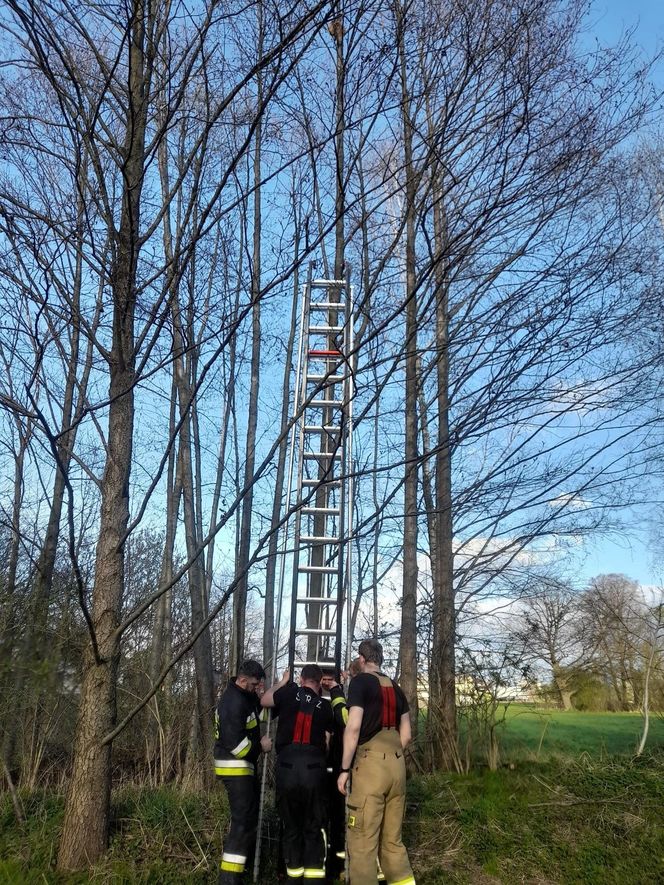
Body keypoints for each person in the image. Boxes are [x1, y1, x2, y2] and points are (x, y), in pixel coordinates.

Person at [337, 639, 415, 885]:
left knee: (362, 843)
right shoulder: (396, 687)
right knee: (393, 842)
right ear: (380, 659)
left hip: (371, 769)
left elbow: (353, 727)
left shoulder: (360, 682)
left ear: (362, 659)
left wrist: (344, 769)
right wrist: (391, 754)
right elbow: (407, 735)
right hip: (397, 767)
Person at [262, 664, 335, 881]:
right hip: (314, 770)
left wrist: (283, 681)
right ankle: (313, 880)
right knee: (314, 828)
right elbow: (328, 743)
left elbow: (264, 700)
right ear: (320, 683)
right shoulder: (325, 706)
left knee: (291, 828)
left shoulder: (288, 693)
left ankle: (293, 877)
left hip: (287, 769)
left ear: (301, 679)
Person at [214, 659, 272, 884]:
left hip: (243, 770)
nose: (256, 688)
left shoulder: (245, 698)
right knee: (242, 824)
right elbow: (237, 745)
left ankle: (238, 872)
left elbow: (261, 717)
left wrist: (278, 688)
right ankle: (229, 879)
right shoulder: (232, 702)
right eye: (253, 685)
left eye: (259, 686)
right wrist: (261, 747)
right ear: (242, 679)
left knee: (247, 822)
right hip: (235, 769)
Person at [320, 666, 349, 877]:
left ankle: (338, 864)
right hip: (319, 766)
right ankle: (322, 862)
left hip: (338, 764)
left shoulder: (342, 699)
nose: (327, 683)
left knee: (339, 816)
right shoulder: (315, 700)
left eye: (331, 679)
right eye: (324, 679)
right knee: (321, 815)